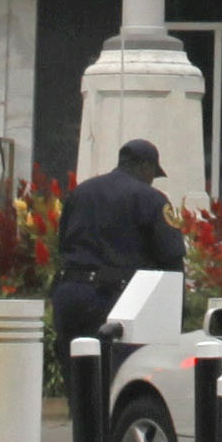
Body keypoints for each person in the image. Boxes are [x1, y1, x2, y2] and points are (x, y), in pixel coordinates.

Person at [52, 135, 181, 357]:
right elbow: (171, 257)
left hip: (69, 295)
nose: (152, 179)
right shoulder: (151, 199)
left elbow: (63, 244)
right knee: (117, 378)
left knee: (77, 377)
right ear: (144, 166)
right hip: (114, 300)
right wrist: (177, 315)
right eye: (153, 173)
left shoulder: (81, 192)